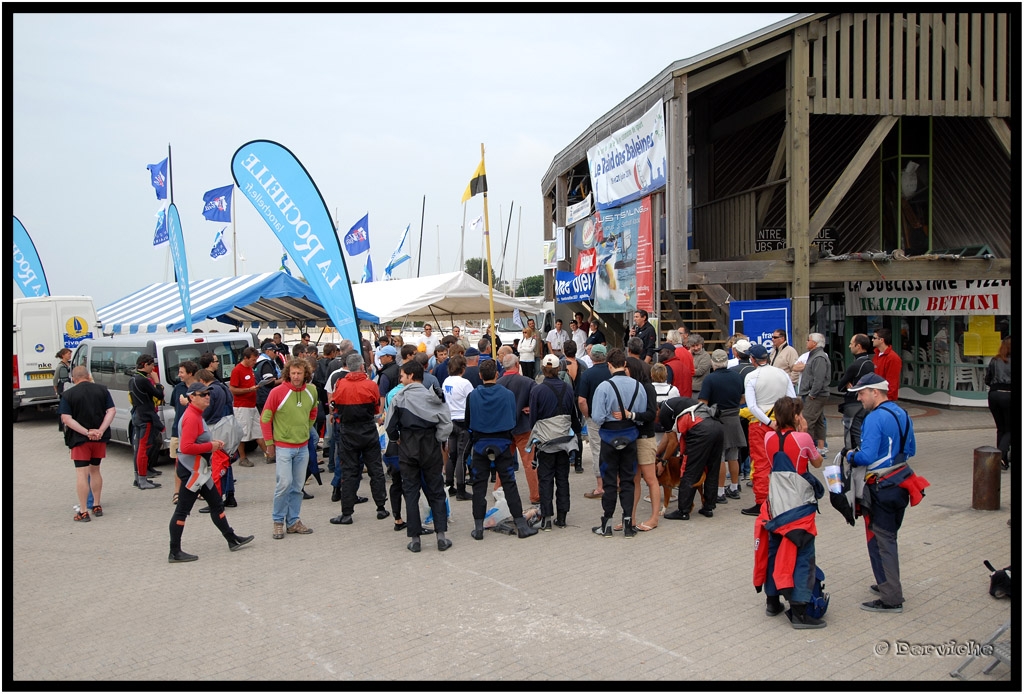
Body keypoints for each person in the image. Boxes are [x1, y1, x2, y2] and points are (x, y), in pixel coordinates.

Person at [847, 373, 930, 614]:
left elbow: (867, 456)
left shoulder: (873, 418)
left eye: (862, 393)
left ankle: (891, 596)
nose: (859, 398)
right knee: (889, 538)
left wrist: (851, 455)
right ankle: (886, 583)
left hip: (881, 486)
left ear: (875, 392)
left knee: (881, 541)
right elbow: (911, 448)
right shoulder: (901, 412)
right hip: (903, 481)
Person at [753, 396, 826, 629]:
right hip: (799, 506)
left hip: (775, 505)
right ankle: (800, 612)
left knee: (774, 551)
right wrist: (805, 431)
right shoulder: (803, 438)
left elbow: (773, 448)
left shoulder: (768, 437)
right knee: (803, 556)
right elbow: (815, 463)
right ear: (795, 416)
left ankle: (772, 601)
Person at [168, 380, 254, 562]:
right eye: (203, 395)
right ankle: (174, 551)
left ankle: (232, 539)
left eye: (208, 394)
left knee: (216, 504)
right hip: (193, 471)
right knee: (182, 510)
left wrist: (212, 445)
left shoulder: (196, 414)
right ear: (192, 398)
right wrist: (211, 445)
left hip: (200, 470)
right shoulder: (191, 417)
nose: (208, 397)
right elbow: (186, 447)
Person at [464, 359, 538, 541]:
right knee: (510, 484)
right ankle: (521, 525)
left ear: (480, 376)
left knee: (479, 486)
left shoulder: (472, 396)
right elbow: (512, 418)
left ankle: (479, 527)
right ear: (497, 375)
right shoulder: (507, 395)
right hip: (503, 443)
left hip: (481, 444)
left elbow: (468, 422)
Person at [385, 360, 454, 552]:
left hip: (408, 447)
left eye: (402, 376)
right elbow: (446, 423)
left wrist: (397, 439)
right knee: (436, 490)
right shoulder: (433, 397)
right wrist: (438, 439)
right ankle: (441, 536)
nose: (400, 378)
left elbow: (390, 426)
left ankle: (415, 539)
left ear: (410, 376)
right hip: (430, 445)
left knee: (411, 492)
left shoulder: (399, 398)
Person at [590, 348, 647, 537]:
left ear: (609, 365)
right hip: (630, 435)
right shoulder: (639, 386)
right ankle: (628, 524)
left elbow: (597, 417)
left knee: (609, 481)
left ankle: (606, 524)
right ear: (625, 364)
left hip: (608, 437)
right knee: (628, 480)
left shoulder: (604, 387)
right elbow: (641, 414)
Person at [329, 352, 390, 526]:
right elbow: (375, 408)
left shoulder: (340, 384)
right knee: (376, 470)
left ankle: (346, 513)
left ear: (347, 366)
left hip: (348, 432)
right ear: (362, 366)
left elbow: (335, 406)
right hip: (368, 431)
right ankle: (381, 508)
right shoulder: (371, 385)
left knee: (349, 472)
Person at [261, 358, 318, 540]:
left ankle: (293, 521)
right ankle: (278, 521)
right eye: (293, 373)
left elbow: (313, 412)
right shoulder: (277, 392)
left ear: (305, 374)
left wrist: (306, 430)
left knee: (297, 486)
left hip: (302, 447)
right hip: (283, 447)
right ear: (287, 373)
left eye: (299, 373)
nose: (296, 376)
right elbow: (265, 418)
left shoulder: (312, 391)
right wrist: (269, 444)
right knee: (283, 484)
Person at [740, 344, 796, 516]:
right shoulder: (782, 373)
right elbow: (792, 398)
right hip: (783, 422)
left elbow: (752, 406)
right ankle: (787, 499)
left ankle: (762, 502)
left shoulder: (751, 376)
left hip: (760, 425)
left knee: (760, 464)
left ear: (752, 359)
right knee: (785, 461)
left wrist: (767, 422)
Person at [529, 353, 581, 530]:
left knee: (545, 479)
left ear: (543, 369)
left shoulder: (537, 390)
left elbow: (533, 421)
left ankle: (547, 518)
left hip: (546, 443)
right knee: (562, 479)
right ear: (559, 369)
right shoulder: (568, 389)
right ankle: (563, 516)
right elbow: (574, 416)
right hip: (565, 442)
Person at [60, 366, 114, 522]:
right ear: (88, 376)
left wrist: (86, 432)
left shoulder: (68, 394)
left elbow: (66, 419)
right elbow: (111, 411)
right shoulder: (102, 390)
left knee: (82, 474)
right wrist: (100, 431)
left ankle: (83, 511)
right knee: (95, 471)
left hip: (79, 440)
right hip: (99, 439)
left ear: (74, 378)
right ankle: (97, 505)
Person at [659, 396, 724, 521]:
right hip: (717, 426)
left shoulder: (663, 412)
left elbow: (673, 442)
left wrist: (663, 460)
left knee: (690, 470)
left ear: (657, 410)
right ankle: (708, 507)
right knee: (712, 469)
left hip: (700, 429)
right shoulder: (680, 403)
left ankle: (683, 510)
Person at [700, 349, 745, 505]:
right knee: (733, 456)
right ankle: (733, 488)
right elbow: (743, 397)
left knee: (719, 458)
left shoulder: (710, 379)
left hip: (718, 420)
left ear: (713, 362)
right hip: (734, 418)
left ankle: (719, 492)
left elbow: (703, 403)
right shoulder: (738, 377)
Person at [496, 354, 540, 505]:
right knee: (529, 463)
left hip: (504, 430)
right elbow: (537, 400)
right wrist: (530, 408)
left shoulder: (498, 383)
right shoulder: (528, 382)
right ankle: (535, 495)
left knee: (503, 462)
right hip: (523, 427)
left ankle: (498, 491)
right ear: (517, 364)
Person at [625, 356, 660, 532]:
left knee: (650, 478)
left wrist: (632, 415)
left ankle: (654, 517)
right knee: (634, 479)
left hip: (645, 437)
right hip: (633, 437)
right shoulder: (633, 387)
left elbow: (651, 414)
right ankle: (630, 517)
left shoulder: (647, 388)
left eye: (626, 368)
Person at [576, 343, 612, 499]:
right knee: (613, 448)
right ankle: (615, 481)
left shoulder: (587, 375)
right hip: (612, 417)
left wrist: (587, 415)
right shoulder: (612, 372)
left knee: (597, 450)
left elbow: (582, 400)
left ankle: (600, 486)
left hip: (594, 418)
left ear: (591, 356)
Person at [128, 354, 164, 490]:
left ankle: (138, 477)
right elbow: (159, 395)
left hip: (137, 414)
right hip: (145, 416)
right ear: (145, 365)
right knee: (143, 448)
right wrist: (157, 381)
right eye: (151, 365)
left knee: (138, 448)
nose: (153, 368)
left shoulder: (133, 379)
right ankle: (142, 479)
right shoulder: (143, 380)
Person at [443, 354, 475, 501]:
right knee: (462, 456)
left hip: (450, 420)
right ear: (463, 368)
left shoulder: (446, 381)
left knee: (453, 455)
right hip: (463, 421)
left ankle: (449, 485)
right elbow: (473, 400)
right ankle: (461, 489)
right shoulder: (465, 383)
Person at [230, 347, 268, 465]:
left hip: (252, 405)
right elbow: (232, 389)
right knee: (243, 433)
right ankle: (242, 458)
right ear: (245, 358)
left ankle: (268, 453)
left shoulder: (250, 369)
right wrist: (249, 390)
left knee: (258, 430)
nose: (254, 362)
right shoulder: (237, 370)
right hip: (242, 406)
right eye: (252, 360)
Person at [168, 360, 199, 506]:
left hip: (196, 431)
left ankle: (198, 489)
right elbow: (175, 407)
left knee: (197, 462)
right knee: (178, 462)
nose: (179, 375)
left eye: (181, 372)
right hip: (178, 431)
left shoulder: (199, 388)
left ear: (190, 373)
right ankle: (177, 492)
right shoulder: (178, 388)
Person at [838, 334, 875, 450]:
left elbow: (840, 386)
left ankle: (852, 453)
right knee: (865, 430)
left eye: (851, 343)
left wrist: (849, 387)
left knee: (852, 431)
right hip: (868, 403)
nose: (849, 346)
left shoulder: (856, 365)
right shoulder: (870, 363)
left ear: (858, 346)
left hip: (853, 403)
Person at [797, 333, 831, 457]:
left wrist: (813, 393)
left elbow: (819, 378)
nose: (806, 342)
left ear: (815, 343)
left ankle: (807, 449)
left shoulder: (819, 357)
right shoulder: (814, 355)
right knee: (819, 420)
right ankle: (820, 448)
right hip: (812, 393)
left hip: (815, 394)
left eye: (808, 340)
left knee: (807, 420)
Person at [984, 337, 1011, 469]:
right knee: (1010, 429)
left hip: (994, 395)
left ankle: (1003, 461)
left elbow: (987, 379)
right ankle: (1000, 456)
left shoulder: (995, 360)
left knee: (1001, 428)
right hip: (1008, 395)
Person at [871, 328, 902, 401]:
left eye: (874, 338)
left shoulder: (893, 358)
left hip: (885, 398)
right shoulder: (877, 355)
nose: (872, 340)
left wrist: (887, 398)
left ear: (881, 340)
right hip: (876, 395)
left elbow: (892, 382)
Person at [254, 340, 284, 413]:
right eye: (274, 351)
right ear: (267, 352)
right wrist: (282, 380)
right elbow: (269, 382)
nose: (276, 354)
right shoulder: (265, 364)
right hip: (265, 397)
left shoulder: (259, 362)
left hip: (261, 397)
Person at [53, 347, 73, 432]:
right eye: (68, 354)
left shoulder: (71, 364)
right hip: (63, 387)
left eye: (70, 354)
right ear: (63, 355)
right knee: (63, 406)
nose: (70, 355)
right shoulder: (60, 366)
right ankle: (61, 425)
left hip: (69, 386)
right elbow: (55, 380)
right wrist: (57, 390)